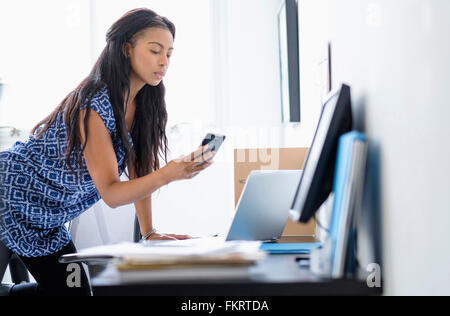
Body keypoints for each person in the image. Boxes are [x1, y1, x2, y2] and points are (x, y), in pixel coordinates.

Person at [0, 8, 214, 296]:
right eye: (155, 50)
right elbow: (112, 194)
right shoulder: (93, 104)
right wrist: (170, 174)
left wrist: (149, 233)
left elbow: (140, 168)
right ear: (127, 49)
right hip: (8, 196)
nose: (164, 61)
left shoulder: (145, 105)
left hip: (47, 219)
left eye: (169, 53)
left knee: (75, 293)